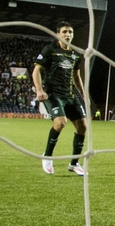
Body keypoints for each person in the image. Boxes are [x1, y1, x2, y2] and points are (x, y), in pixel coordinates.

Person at [32, 21, 87, 176]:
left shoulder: (75, 54)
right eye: (64, 32)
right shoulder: (50, 50)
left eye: (70, 32)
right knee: (61, 122)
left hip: (70, 95)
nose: (67, 34)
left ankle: (74, 163)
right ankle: (47, 156)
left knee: (83, 126)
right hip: (53, 95)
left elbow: (77, 76)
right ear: (58, 34)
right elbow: (36, 71)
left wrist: (83, 94)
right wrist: (39, 90)